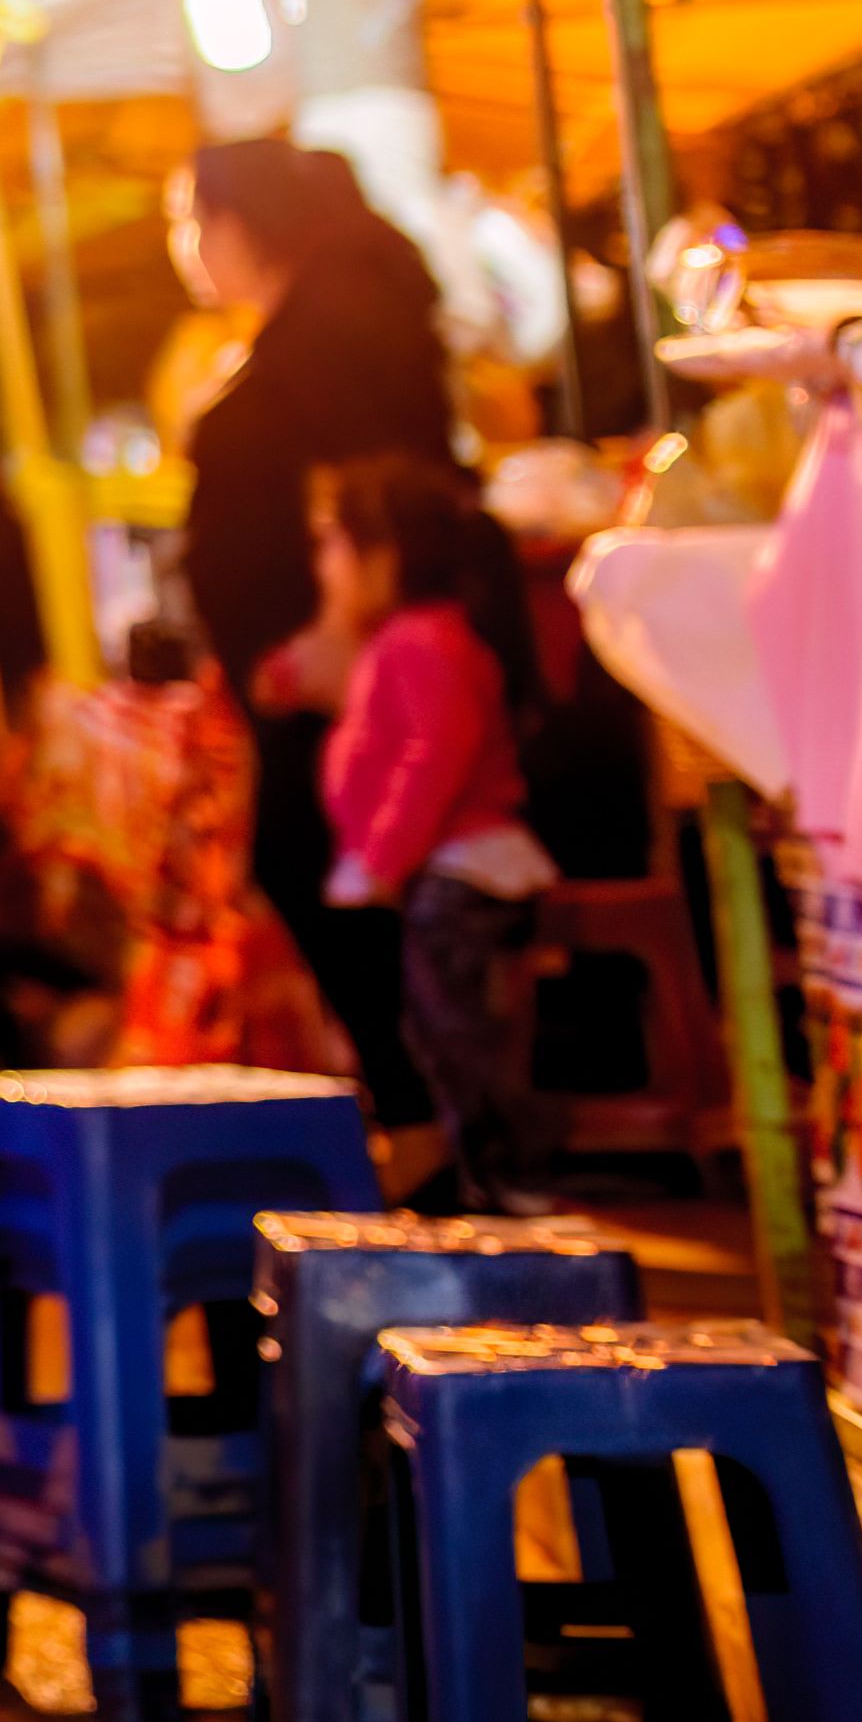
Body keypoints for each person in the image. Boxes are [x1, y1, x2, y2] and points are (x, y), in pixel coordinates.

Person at [170, 138, 459, 1124]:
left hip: (340, 677)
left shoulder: (325, 340)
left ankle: (425, 1120)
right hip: (336, 667)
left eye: (193, 223)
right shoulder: (342, 320)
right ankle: (422, 1114)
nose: (190, 248)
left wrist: (336, 634)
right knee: (341, 876)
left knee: (334, 872)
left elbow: (371, 496)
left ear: (236, 227)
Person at [274, 455, 558, 1212]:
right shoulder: (414, 638)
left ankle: (501, 1180)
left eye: (333, 543)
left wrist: (382, 858)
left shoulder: (420, 642)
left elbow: (435, 755)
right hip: (446, 868)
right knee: (442, 1032)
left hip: (460, 871)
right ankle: (484, 1177)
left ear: (384, 554)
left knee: (456, 1035)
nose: (323, 565)